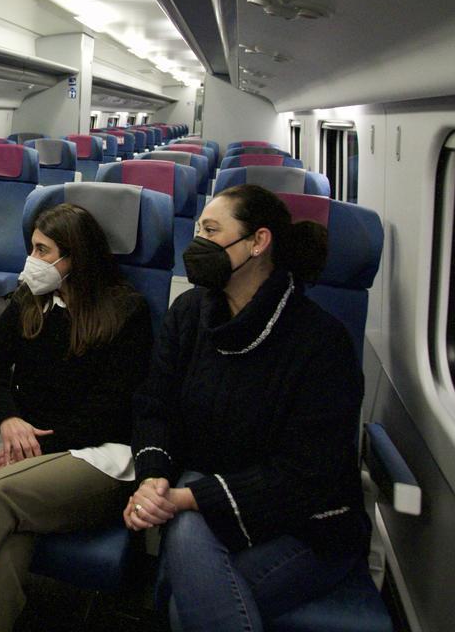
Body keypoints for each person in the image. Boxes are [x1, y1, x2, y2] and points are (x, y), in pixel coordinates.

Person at [124, 184, 370, 632]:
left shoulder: (320, 342)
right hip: (206, 492)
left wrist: (183, 498)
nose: (197, 244)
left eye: (212, 231)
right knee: (186, 539)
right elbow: (154, 405)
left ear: (258, 242)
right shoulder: (189, 312)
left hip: (305, 523)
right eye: (198, 229)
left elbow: (305, 475)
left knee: (183, 608)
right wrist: (155, 479)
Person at [0, 203, 154, 632]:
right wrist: (8, 418)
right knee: (7, 543)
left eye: (43, 251)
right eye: (32, 248)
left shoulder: (127, 310)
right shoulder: (33, 298)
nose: (33, 261)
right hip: (30, 456)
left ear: (74, 256)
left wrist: (35, 447)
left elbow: (111, 408)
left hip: (98, 459)